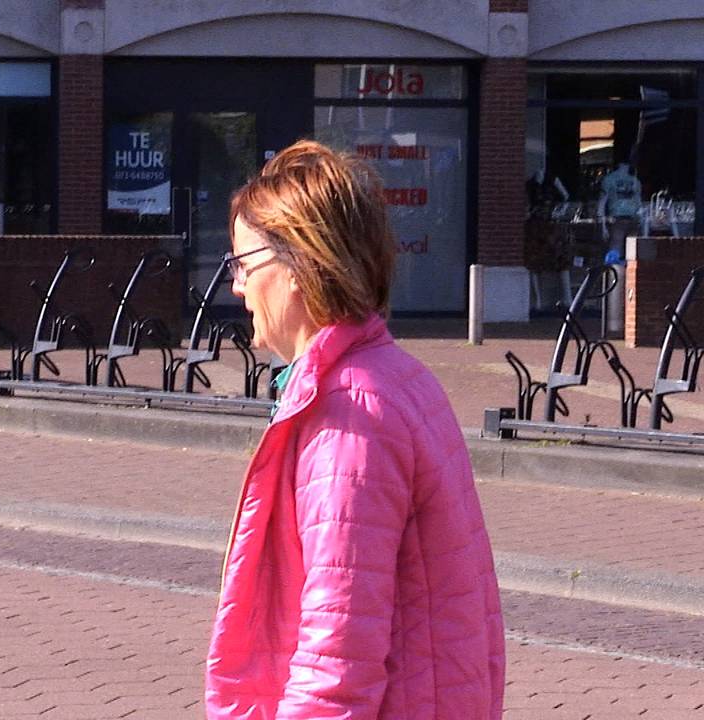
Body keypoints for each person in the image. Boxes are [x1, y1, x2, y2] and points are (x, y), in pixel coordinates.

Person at [205, 140, 504, 718]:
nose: (236, 286)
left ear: (299, 266)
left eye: (243, 264)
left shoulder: (349, 415)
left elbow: (335, 659)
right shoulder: (398, 377)